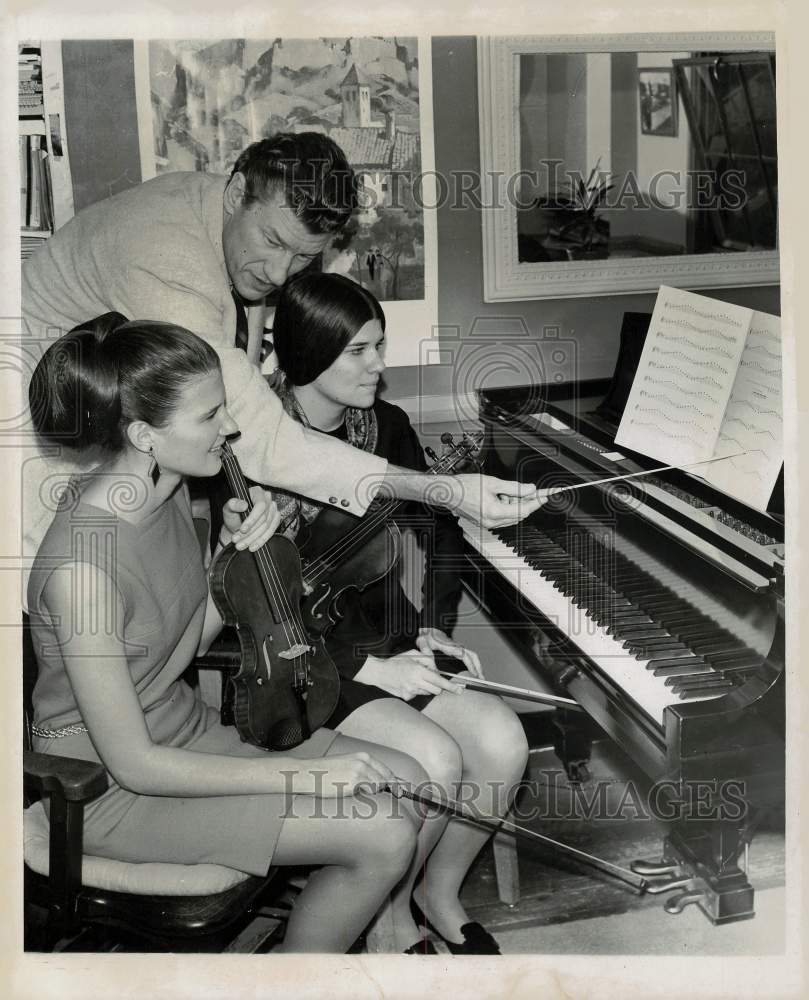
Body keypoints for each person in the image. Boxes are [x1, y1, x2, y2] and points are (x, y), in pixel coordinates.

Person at [25, 311, 432, 954]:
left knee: (409, 776)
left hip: (183, 737)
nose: (232, 427)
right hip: (108, 789)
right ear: (143, 435)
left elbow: (174, 655)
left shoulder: (172, 495)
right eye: (210, 416)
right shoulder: (84, 569)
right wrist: (302, 779)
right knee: (383, 831)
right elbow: (134, 764)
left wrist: (230, 558)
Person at [21, 133, 543, 591]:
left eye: (301, 256)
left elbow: (239, 387)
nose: (277, 272)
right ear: (235, 195)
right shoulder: (171, 263)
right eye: (271, 242)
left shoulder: (223, 208)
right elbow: (258, 434)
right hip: (30, 414)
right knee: (65, 599)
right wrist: (444, 490)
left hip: (120, 411)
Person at [266, 273, 535, 955]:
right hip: (305, 664)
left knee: (503, 742)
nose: (378, 366)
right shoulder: (254, 444)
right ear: (306, 352)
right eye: (356, 351)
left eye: (378, 346)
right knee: (436, 758)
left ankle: (434, 892)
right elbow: (254, 604)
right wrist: (368, 665)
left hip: (393, 644)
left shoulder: (384, 426)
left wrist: (432, 623)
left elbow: (439, 531)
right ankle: (387, 926)